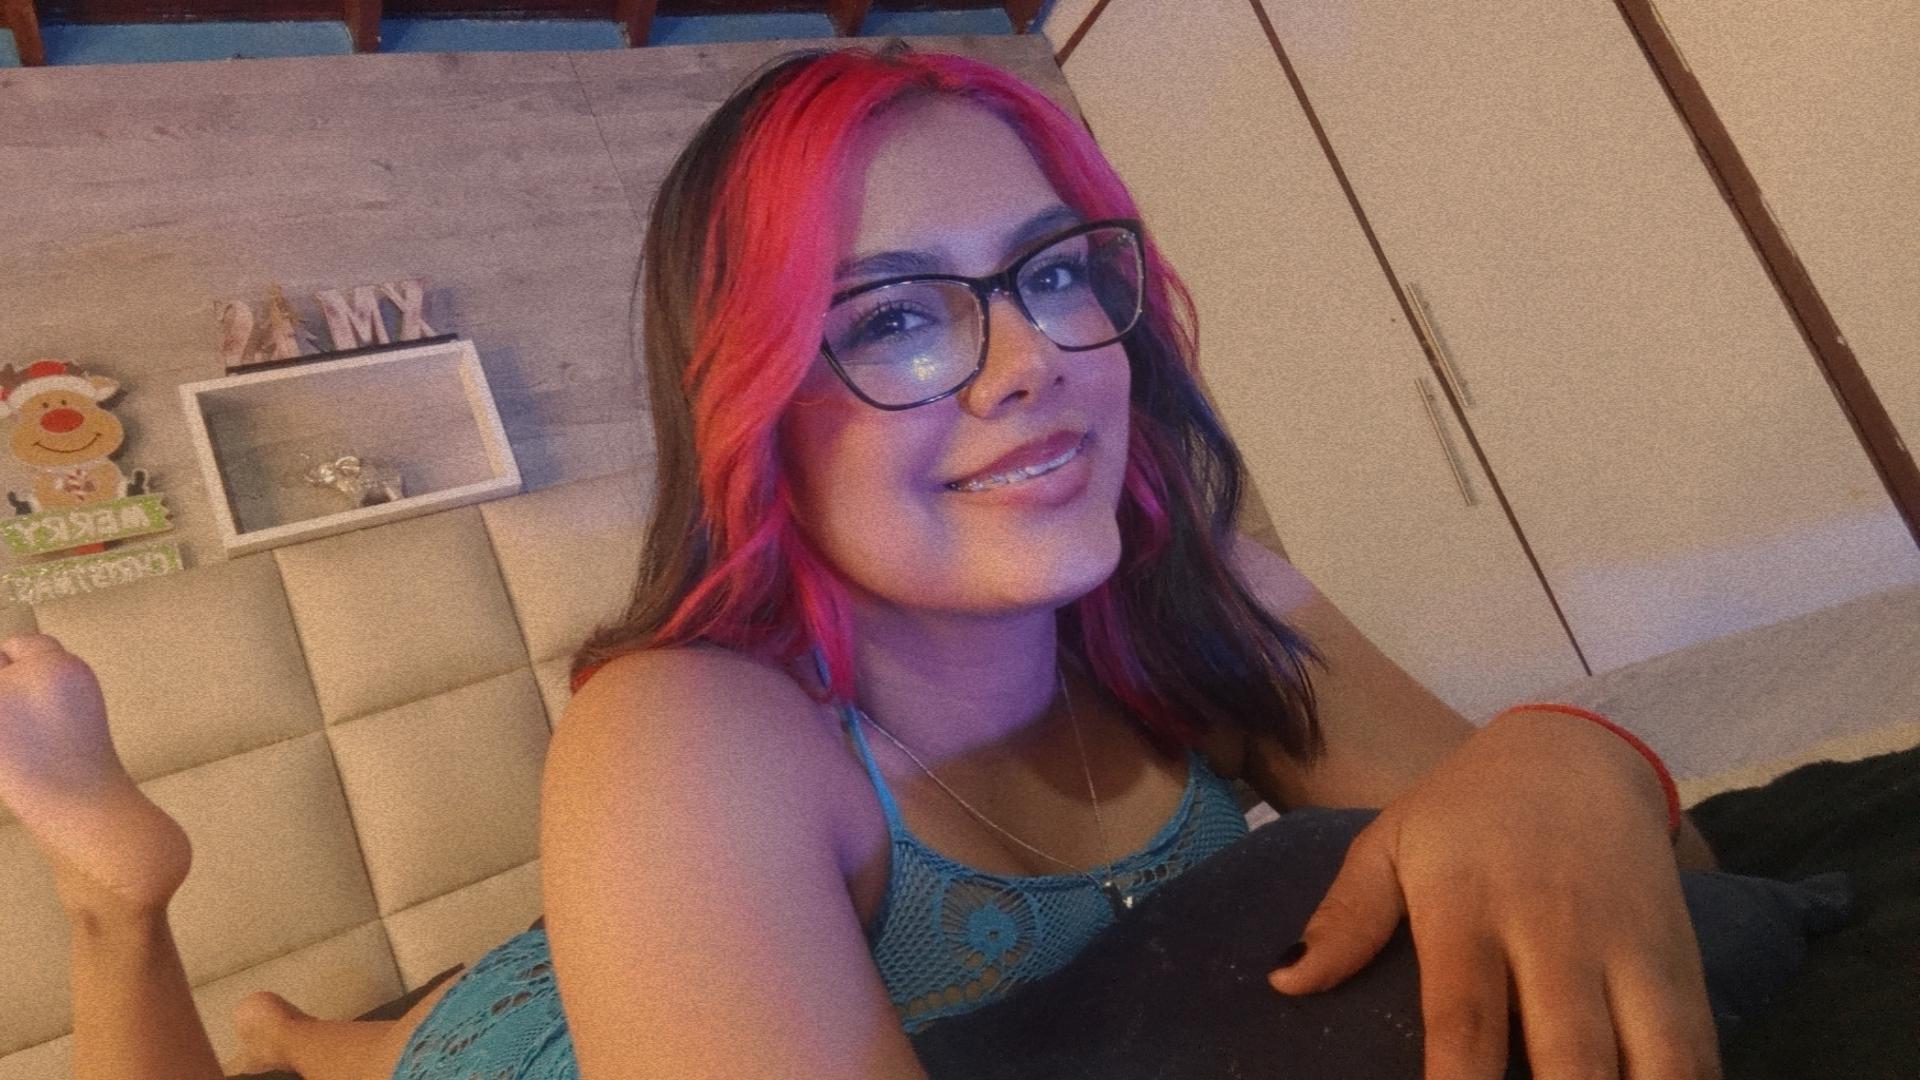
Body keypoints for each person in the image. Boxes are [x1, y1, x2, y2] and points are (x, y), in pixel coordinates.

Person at [0, 42, 1728, 1080]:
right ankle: (131, 898)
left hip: (667, 952)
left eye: (1054, 271)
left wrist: (1569, 758)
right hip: (529, 1055)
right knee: (416, 1049)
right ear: (748, 406)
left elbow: (1633, 876)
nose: (1029, 358)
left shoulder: (1213, 593)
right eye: (895, 315)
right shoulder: (682, 733)